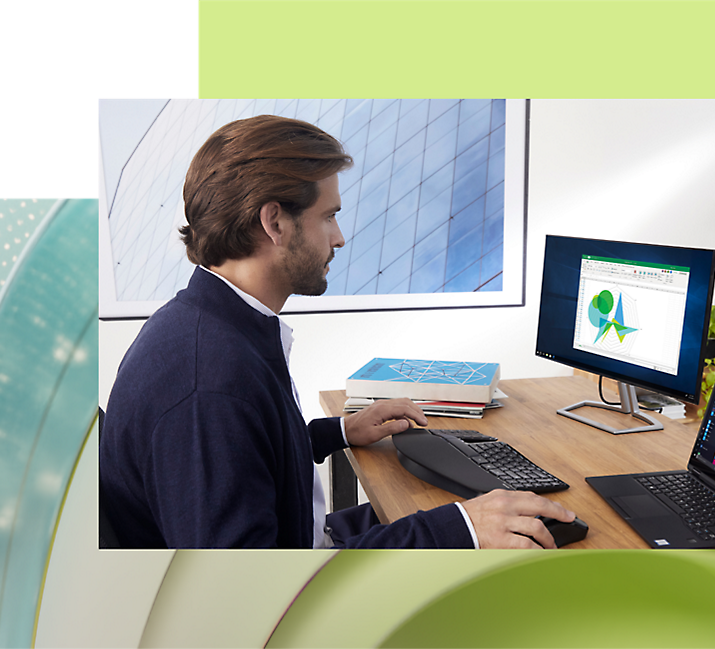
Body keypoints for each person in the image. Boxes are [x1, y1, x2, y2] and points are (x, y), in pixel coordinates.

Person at [99, 114, 574, 549]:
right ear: (275, 222)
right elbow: (247, 600)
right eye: (329, 216)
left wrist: (338, 430)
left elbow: (243, 459)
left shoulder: (214, 328)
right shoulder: (209, 384)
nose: (339, 237)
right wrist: (459, 531)